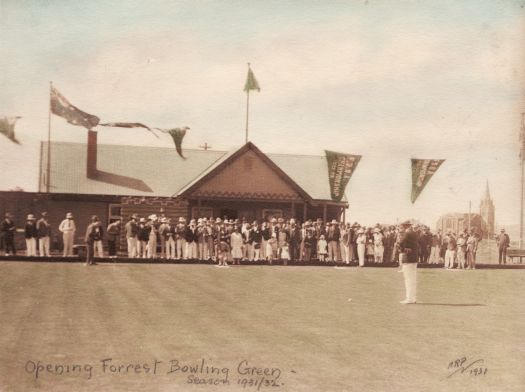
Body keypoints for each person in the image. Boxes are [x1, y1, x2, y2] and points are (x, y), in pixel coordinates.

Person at [399, 221, 419, 304]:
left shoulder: (406, 233)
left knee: (408, 279)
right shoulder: (414, 233)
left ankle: (409, 298)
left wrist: (402, 249)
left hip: (408, 258)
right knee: (412, 279)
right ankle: (412, 298)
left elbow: (400, 243)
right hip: (414, 258)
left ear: (404, 226)